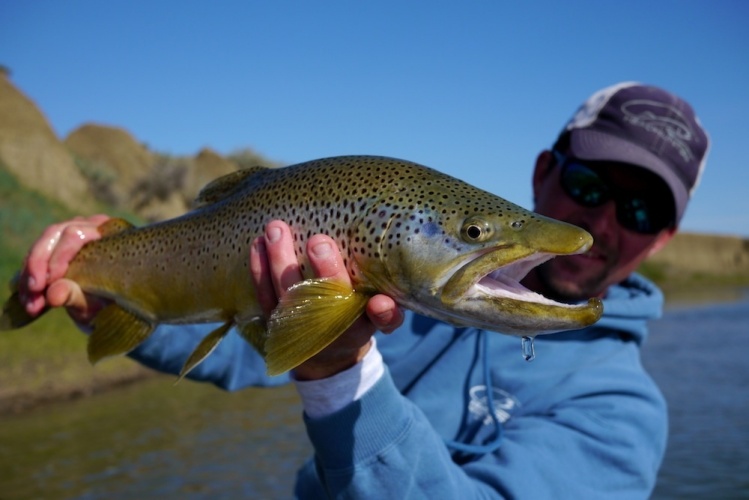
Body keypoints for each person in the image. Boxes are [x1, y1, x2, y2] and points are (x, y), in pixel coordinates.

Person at [17, 82, 709, 498]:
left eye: (641, 211)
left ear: (665, 238)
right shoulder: (424, 299)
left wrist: (339, 374)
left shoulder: (621, 415)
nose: (595, 223)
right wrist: (98, 294)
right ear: (541, 171)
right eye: (585, 187)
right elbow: (245, 352)